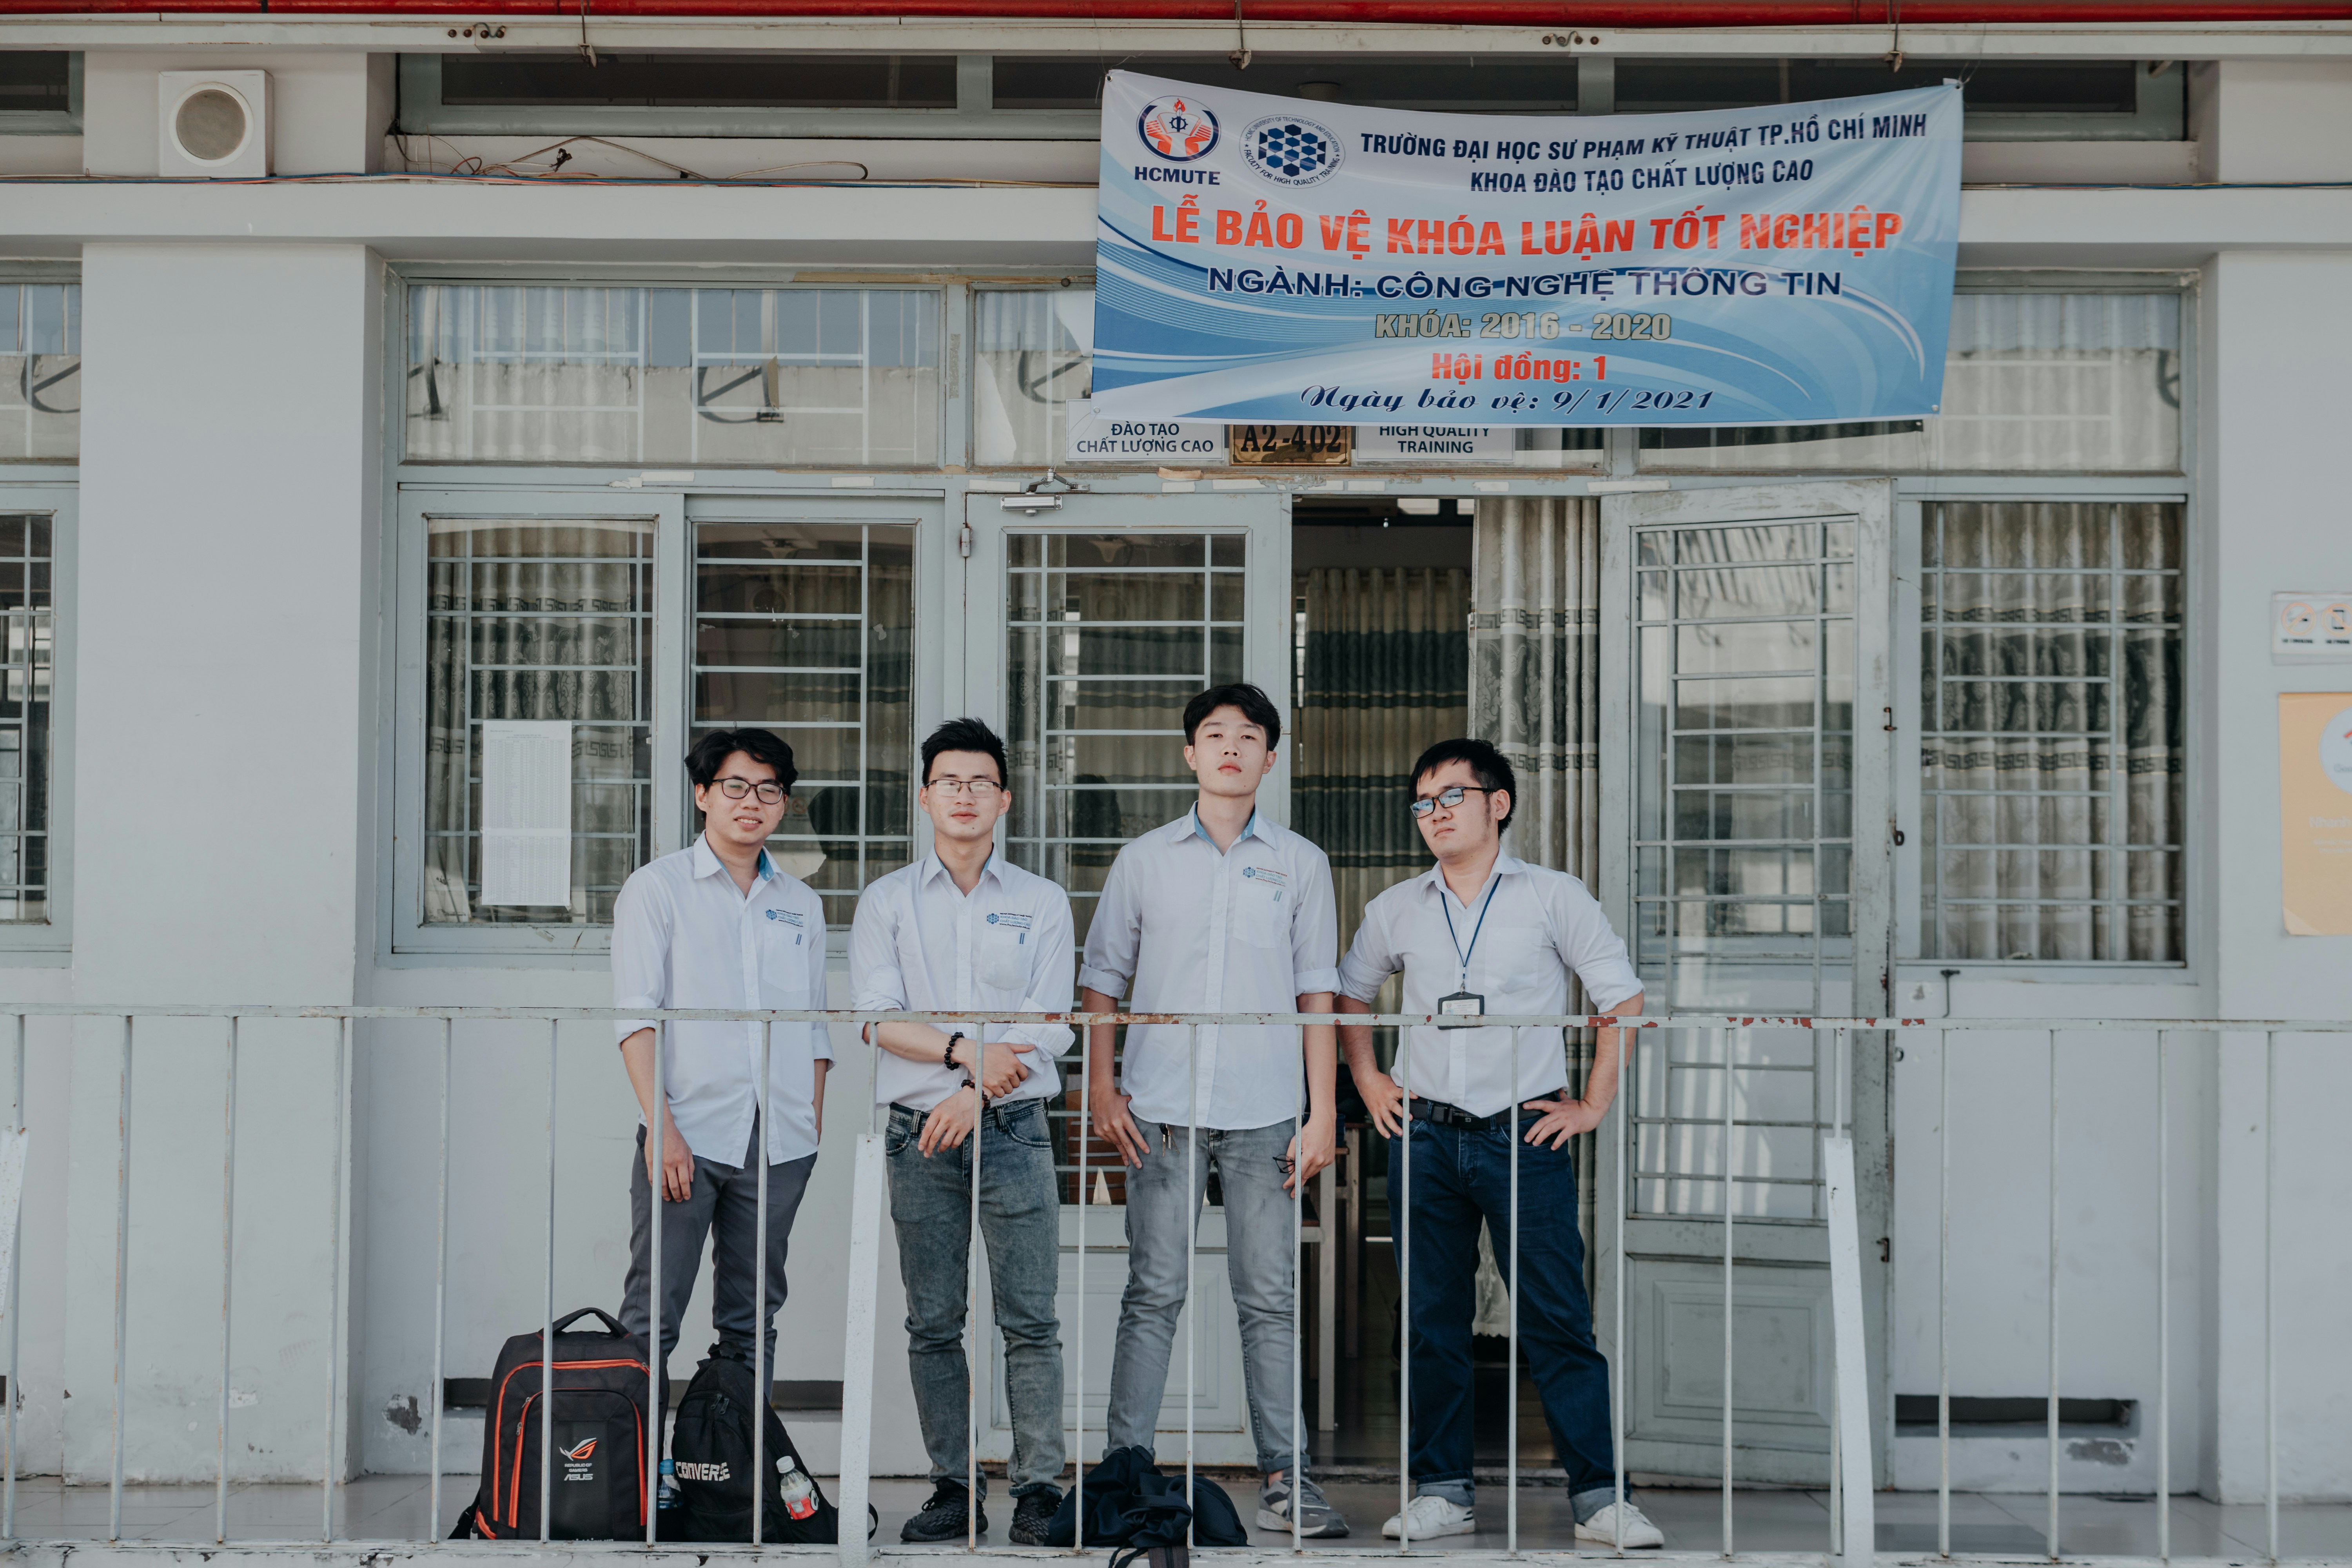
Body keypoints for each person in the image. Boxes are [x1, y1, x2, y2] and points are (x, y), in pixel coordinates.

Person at [1336, 739, 1663, 1550]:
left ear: (1498, 802)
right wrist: (1371, 1080)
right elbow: (1345, 994)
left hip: (1524, 1130)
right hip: (1427, 1134)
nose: (1437, 813)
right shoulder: (1398, 906)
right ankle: (1443, 1490)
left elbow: (1621, 999)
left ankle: (1598, 1498)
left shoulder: (1554, 896)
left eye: (1452, 795)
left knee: (1557, 1319)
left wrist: (1591, 1104)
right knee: (1431, 1320)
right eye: (1424, 802)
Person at [1081, 682, 1350, 1539]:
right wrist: (1100, 1086)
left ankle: (1288, 1475)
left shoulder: (1302, 862)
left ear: (1271, 757)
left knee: (1269, 1295)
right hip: (1159, 1106)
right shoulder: (1145, 859)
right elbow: (1102, 981)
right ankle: (1127, 1469)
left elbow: (1319, 994)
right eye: (1214, 734)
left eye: (1249, 736)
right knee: (1151, 1291)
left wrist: (1319, 1112)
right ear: (1188, 753)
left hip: (1267, 1106)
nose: (1231, 746)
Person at [850, 718, 1073, 1545]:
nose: (966, 794)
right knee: (933, 1319)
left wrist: (974, 1091)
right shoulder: (887, 901)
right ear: (925, 795)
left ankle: (1040, 1488)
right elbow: (875, 1019)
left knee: (1030, 1318)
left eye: (982, 781)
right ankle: (952, 1484)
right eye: (950, 780)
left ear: (1005, 797)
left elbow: (1049, 1026)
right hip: (919, 1134)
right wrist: (963, 1053)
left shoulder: (1041, 902)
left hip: (1013, 1128)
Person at [612, 727, 830, 1396]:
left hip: (779, 1145)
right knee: (653, 1316)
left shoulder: (802, 904)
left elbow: (815, 1029)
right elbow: (636, 1018)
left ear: (784, 804)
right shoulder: (658, 890)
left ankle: (737, 1480)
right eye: (734, 786)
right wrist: (663, 1129)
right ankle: (636, 1485)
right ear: (703, 794)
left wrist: (808, 1127)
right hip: (687, 1132)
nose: (752, 802)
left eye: (769, 790)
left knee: (752, 1320)